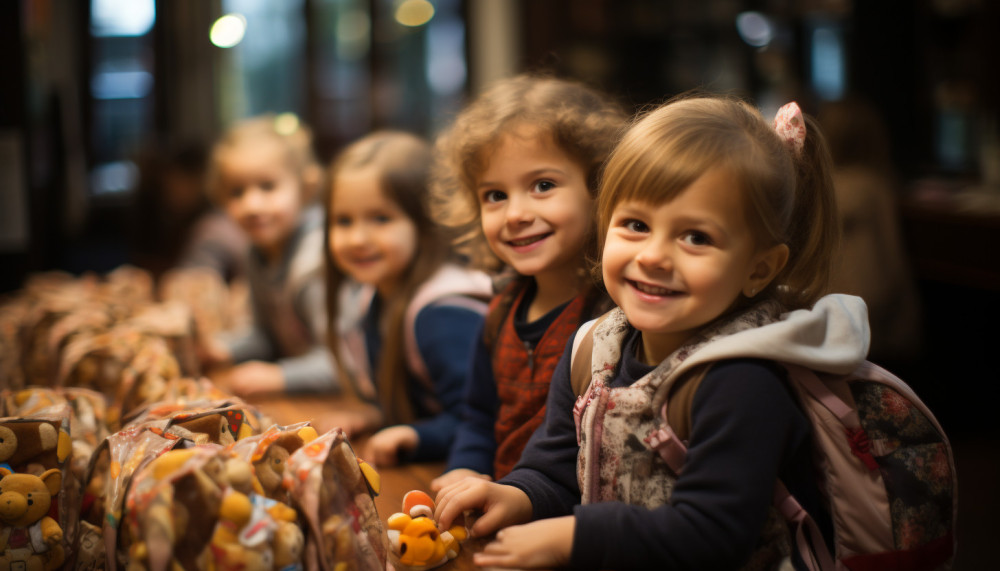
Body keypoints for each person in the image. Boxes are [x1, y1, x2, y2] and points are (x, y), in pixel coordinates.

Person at [435, 96, 868, 570]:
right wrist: (516, 495)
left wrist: (575, 536)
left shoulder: (743, 380)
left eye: (696, 237)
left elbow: (713, 534)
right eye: (636, 225)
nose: (654, 256)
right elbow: (556, 469)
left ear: (759, 269)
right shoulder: (591, 350)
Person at [428, 74, 626, 491]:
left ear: (600, 188)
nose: (515, 214)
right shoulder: (500, 311)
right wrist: (465, 468)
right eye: (495, 195)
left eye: (543, 186)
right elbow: (478, 417)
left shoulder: (616, 317)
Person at [324, 131, 493, 466]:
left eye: (381, 218)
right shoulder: (374, 293)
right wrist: (377, 413)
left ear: (426, 222)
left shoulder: (442, 313)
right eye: (343, 221)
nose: (357, 238)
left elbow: (481, 420)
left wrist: (417, 436)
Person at [199, 114, 336, 397]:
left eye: (268, 186)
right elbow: (266, 336)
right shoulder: (256, 253)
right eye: (236, 192)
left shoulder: (315, 263)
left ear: (305, 188)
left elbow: (343, 362)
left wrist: (280, 376)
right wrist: (223, 348)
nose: (251, 205)